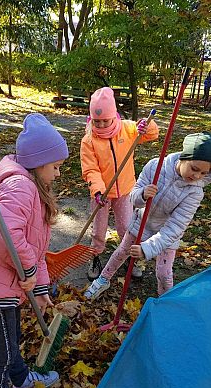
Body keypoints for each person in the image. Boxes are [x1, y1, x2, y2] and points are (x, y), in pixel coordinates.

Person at [0, 113, 68, 388]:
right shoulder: (20, 187)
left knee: (13, 339)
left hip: (7, 281)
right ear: (38, 163)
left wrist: (40, 286)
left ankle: (21, 378)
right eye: (56, 167)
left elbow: (36, 247)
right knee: (3, 350)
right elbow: (7, 237)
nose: (59, 174)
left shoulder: (34, 187)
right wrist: (30, 272)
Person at [85, 132, 211, 300]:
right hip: (141, 222)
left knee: (164, 273)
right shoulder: (155, 167)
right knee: (121, 252)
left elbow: (176, 226)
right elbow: (133, 197)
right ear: (183, 157)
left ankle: (165, 301)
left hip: (167, 233)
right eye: (194, 169)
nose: (197, 176)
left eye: (203, 173)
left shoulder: (195, 191)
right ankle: (103, 279)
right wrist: (143, 195)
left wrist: (147, 249)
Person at [80, 87, 159, 280]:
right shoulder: (89, 139)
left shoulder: (127, 128)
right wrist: (98, 192)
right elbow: (91, 169)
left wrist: (145, 126)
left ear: (114, 115)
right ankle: (96, 256)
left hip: (125, 191)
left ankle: (129, 259)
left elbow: (152, 134)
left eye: (105, 120)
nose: (101, 124)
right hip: (101, 194)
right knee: (99, 230)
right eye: (96, 121)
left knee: (126, 227)